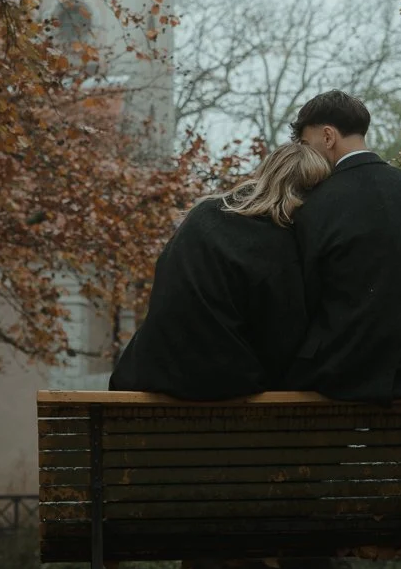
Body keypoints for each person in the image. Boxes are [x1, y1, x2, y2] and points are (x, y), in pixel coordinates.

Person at [109, 141, 331, 399]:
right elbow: (283, 339)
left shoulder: (205, 214)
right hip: (225, 386)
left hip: (145, 375)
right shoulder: (279, 244)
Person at [287, 89, 401, 400]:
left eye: (306, 144)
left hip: (336, 371)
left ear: (328, 137)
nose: (304, 155)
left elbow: (305, 294)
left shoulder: (312, 204)